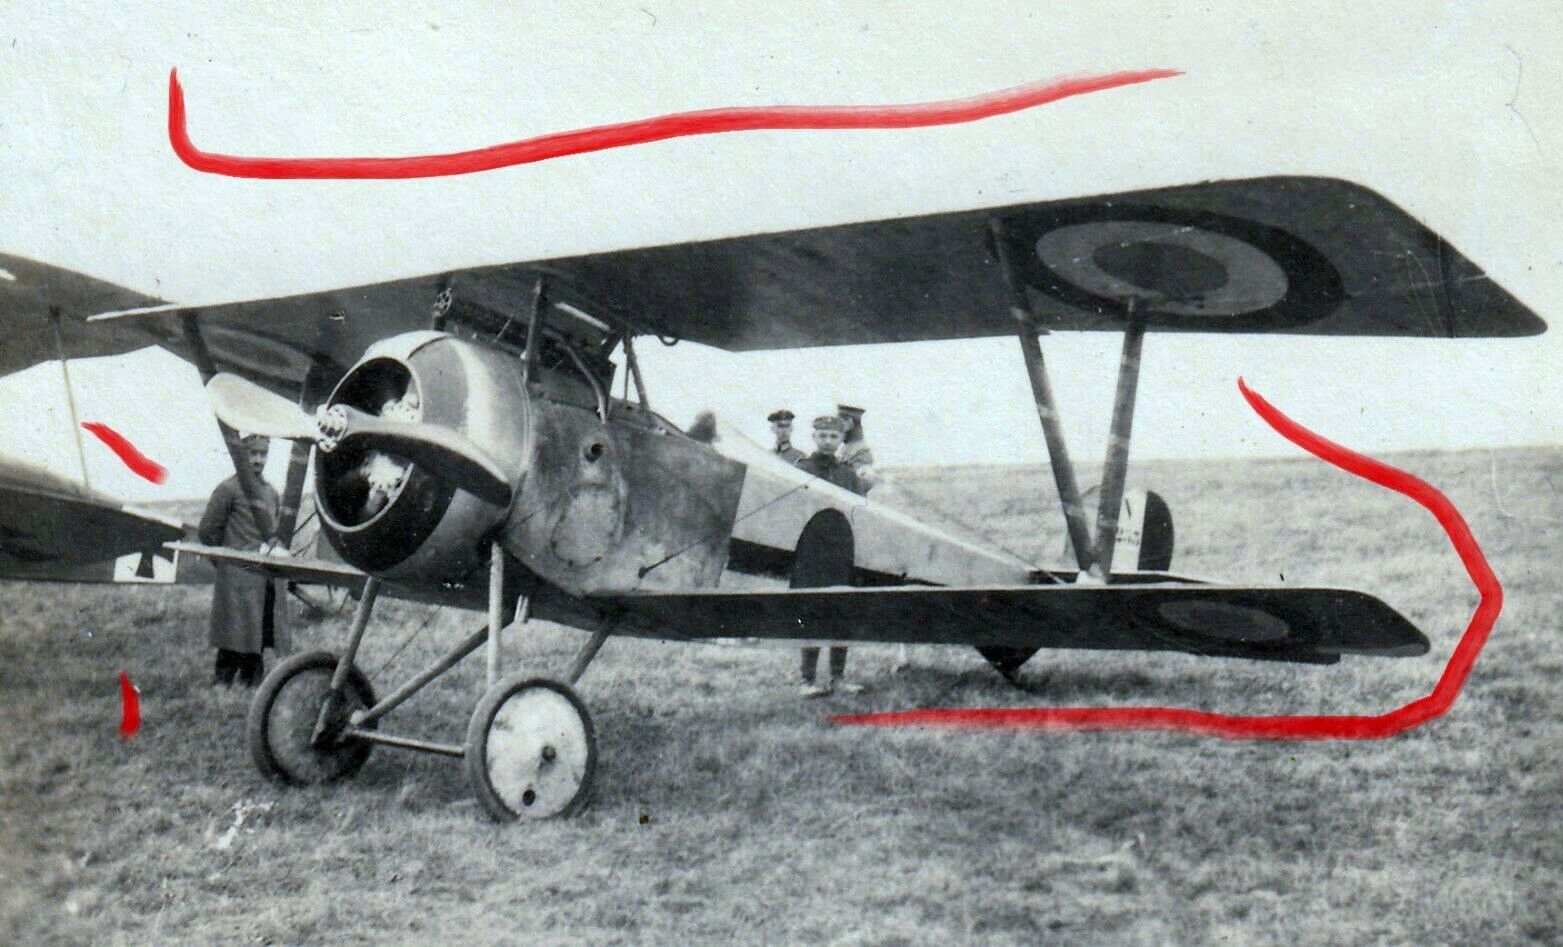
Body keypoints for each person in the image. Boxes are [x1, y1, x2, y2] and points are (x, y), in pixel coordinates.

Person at [199, 434, 290, 687]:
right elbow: (207, 531)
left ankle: (252, 681)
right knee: (234, 630)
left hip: (263, 575)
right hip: (236, 573)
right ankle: (223, 680)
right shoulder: (228, 489)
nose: (258, 460)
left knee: (258, 629)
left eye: (263, 454)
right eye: (253, 453)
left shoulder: (271, 492)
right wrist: (226, 560)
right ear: (241, 454)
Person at [793, 415, 866, 697]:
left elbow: (860, 512)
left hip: (842, 550)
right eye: (822, 436)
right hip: (810, 550)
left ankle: (838, 677)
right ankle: (807, 680)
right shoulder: (801, 469)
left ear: (840, 440)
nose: (827, 441)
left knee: (841, 611)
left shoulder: (848, 474)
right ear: (814, 438)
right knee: (810, 612)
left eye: (833, 436)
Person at [836, 404, 877, 492]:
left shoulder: (862, 452)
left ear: (849, 422)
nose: (836, 427)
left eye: (839, 422)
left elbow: (860, 485)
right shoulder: (845, 447)